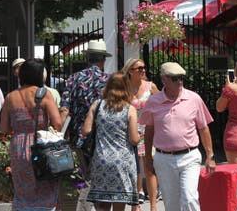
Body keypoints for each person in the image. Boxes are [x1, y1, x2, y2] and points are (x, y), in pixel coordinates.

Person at [140, 62, 215, 211]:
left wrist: (210, 156)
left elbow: (203, 128)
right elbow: (149, 131)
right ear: (164, 80)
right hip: (163, 158)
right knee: (171, 204)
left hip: (190, 156)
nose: (179, 82)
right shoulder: (153, 101)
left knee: (189, 198)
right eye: (175, 78)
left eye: (181, 78)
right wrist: (148, 157)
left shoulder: (194, 98)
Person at [0, 58, 62, 210]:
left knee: (22, 189)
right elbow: (58, 123)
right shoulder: (45, 94)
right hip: (41, 145)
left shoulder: (10, 97)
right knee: (45, 185)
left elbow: (4, 129)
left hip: (19, 146)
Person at [81, 72, 140, 211]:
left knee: (103, 204)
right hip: (123, 161)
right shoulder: (130, 109)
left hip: (101, 160)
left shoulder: (98, 105)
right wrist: (140, 136)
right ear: (126, 87)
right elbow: (133, 139)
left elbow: (86, 130)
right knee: (119, 203)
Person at [122, 58, 160, 209]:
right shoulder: (123, 88)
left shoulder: (151, 87)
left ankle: (153, 205)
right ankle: (134, 204)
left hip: (148, 132)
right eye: (139, 68)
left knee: (149, 168)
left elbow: (161, 106)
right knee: (132, 169)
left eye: (144, 67)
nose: (143, 70)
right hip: (129, 132)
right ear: (130, 71)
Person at [60, 39, 112, 148]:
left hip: (78, 134)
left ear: (87, 58)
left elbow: (65, 109)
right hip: (103, 135)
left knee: (82, 165)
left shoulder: (73, 78)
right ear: (103, 60)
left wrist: (60, 134)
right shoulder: (110, 80)